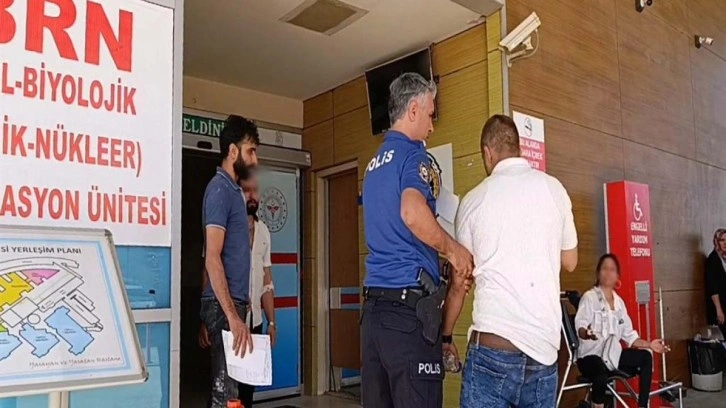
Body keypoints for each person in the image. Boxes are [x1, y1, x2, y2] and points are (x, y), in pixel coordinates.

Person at [448, 114, 578, 407]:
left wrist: (446, 334)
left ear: (487, 153)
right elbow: (570, 261)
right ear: (518, 148)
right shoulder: (554, 189)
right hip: (543, 354)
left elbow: (459, 280)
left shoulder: (474, 200)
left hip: (492, 350)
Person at [360, 72, 474, 408]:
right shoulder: (414, 156)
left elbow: (394, 229)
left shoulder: (374, 165)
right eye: (430, 115)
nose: (431, 126)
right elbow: (411, 212)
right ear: (413, 109)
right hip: (407, 317)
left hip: (373, 318)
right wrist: (454, 251)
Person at [199, 114, 259, 408]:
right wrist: (233, 317)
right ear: (233, 151)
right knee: (225, 395)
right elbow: (212, 257)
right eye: (251, 151)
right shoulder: (220, 189)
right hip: (225, 308)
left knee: (232, 393)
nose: (255, 159)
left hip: (232, 304)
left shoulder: (234, 191)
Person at [575, 254, 667, 408]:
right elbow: (580, 326)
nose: (608, 272)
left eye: (612, 269)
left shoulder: (619, 303)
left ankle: (643, 405)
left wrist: (650, 345)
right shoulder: (589, 298)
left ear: (617, 275)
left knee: (646, 356)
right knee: (600, 374)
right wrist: (587, 333)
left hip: (612, 357)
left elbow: (630, 336)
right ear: (598, 273)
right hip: (590, 356)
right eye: (604, 268)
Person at [238, 176, 277, 408]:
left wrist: (271, 322)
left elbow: (267, 280)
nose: (252, 196)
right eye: (247, 191)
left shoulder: (264, 231)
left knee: (248, 386)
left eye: (255, 191)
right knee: (228, 384)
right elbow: (209, 271)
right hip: (232, 319)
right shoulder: (228, 227)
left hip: (255, 321)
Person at [705, 228, 726, 333]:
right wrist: (719, 310)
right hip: (720, 306)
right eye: (722, 240)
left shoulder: (724, 258)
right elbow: (712, 288)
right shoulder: (712, 260)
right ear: (716, 241)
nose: (725, 243)